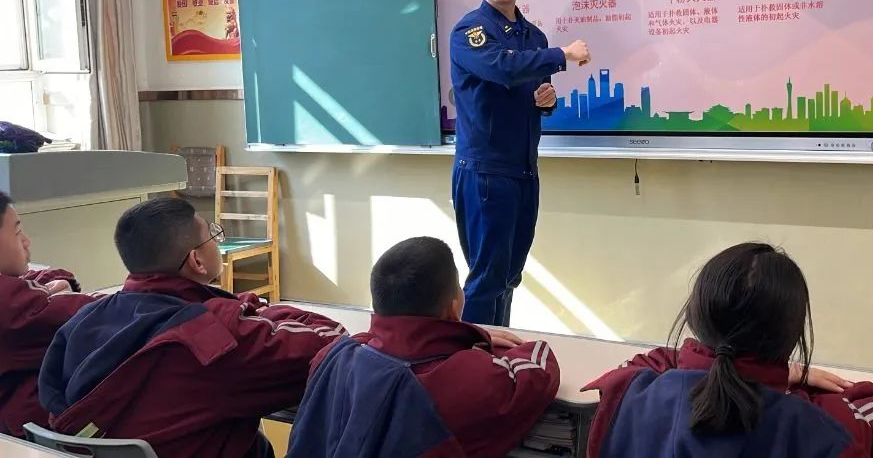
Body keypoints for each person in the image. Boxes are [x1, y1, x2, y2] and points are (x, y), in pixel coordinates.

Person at [38, 198, 347, 458]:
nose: (216, 241)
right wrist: (255, 309)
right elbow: (330, 341)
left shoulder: (83, 320)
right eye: (212, 234)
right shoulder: (215, 337)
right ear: (197, 261)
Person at [583, 243, 873, 458]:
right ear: (793, 336)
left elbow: (644, 363)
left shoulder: (634, 393)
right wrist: (789, 381)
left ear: (695, 316)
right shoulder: (818, 423)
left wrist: (710, 363)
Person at [287, 237, 559, 458]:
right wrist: (473, 336)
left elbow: (371, 341)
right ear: (453, 308)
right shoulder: (469, 379)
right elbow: (537, 364)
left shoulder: (332, 357)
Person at [450, 0, 592, 326]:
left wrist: (546, 101)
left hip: (524, 170)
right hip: (485, 171)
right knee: (487, 278)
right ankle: (476, 355)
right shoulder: (470, 31)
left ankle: (498, 349)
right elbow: (501, 68)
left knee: (510, 274)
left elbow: (531, 93)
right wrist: (563, 54)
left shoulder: (534, 37)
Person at [0, 190, 98, 438]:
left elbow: (27, 282)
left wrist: (56, 283)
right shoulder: (11, 308)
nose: (26, 241)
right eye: (18, 232)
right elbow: (91, 317)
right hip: (32, 430)